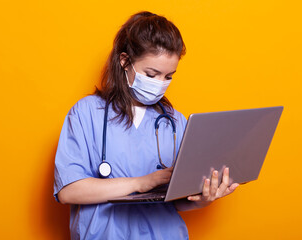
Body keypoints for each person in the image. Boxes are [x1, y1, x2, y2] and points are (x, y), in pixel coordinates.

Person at [53, 11, 239, 240]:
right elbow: (68, 191)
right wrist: (141, 183)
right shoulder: (87, 113)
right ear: (125, 61)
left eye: (168, 76)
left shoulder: (175, 122)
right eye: (152, 74)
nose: (160, 84)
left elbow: (176, 202)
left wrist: (202, 199)